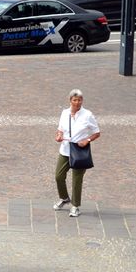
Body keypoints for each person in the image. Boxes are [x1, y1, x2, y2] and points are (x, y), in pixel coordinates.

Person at [53, 89, 101, 218]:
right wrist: (59, 136)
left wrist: (87, 140)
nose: (77, 102)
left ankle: (75, 206)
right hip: (65, 150)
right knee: (58, 176)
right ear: (70, 101)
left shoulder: (88, 115)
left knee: (76, 180)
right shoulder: (64, 113)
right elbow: (60, 130)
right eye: (74, 100)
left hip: (79, 152)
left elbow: (97, 133)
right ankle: (64, 198)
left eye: (79, 100)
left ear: (82, 101)